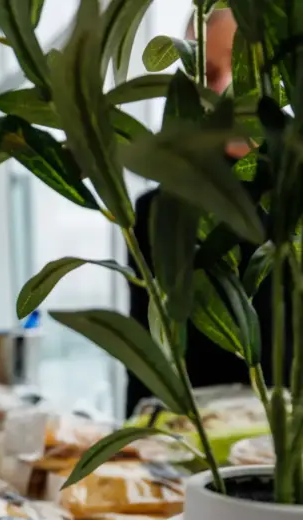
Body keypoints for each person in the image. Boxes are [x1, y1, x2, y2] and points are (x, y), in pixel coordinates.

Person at [126, 10, 285, 415]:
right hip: (198, 440)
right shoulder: (157, 213)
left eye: (244, 70)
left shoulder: (292, 199)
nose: (226, 90)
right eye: (209, 75)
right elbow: (146, 364)